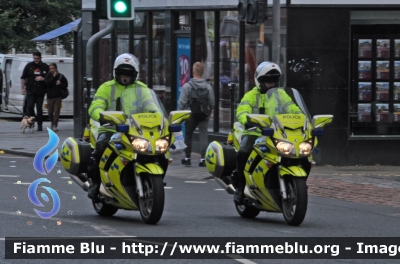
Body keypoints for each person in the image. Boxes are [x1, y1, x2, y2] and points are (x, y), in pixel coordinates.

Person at [87, 53, 159, 199]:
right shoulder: (106, 88)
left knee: (158, 148)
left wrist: (158, 115)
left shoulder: (142, 88)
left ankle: (152, 180)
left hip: (136, 129)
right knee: (101, 147)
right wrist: (101, 115)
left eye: (129, 73)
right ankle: (96, 182)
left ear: (135, 74)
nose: (125, 77)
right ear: (116, 73)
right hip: (111, 128)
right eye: (122, 73)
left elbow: (152, 105)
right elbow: (96, 105)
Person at [233, 61, 303, 205]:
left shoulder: (281, 95)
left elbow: (294, 108)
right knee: (244, 152)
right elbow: (242, 110)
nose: (270, 84)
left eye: (272, 81)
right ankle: (240, 188)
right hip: (255, 132)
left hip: (276, 133)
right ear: (259, 81)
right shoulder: (251, 95)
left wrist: (302, 119)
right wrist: (247, 120)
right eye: (266, 81)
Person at [178, 62, 215, 167]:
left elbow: (182, 103)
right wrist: (208, 113)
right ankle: (203, 159)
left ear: (193, 72)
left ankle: (187, 158)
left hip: (191, 114)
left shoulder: (187, 86)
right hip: (204, 115)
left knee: (188, 135)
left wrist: (179, 116)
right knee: (203, 136)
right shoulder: (208, 87)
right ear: (202, 73)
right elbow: (212, 103)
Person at [21, 51, 49, 131]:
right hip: (30, 90)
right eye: (34, 58)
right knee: (29, 106)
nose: (36, 60)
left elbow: (49, 79)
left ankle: (40, 125)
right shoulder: (29, 66)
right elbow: (23, 77)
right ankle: (32, 121)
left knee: (39, 108)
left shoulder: (45, 67)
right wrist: (22, 89)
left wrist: (42, 78)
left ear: (40, 58)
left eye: (37, 58)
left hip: (40, 91)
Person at [45, 63, 68, 132]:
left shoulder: (61, 76)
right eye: (50, 69)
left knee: (56, 111)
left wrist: (61, 84)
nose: (51, 70)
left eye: (53, 68)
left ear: (56, 68)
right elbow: (47, 83)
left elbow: (65, 85)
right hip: (50, 96)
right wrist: (53, 77)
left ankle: (55, 125)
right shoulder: (48, 75)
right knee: (50, 112)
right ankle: (52, 122)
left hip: (58, 96)